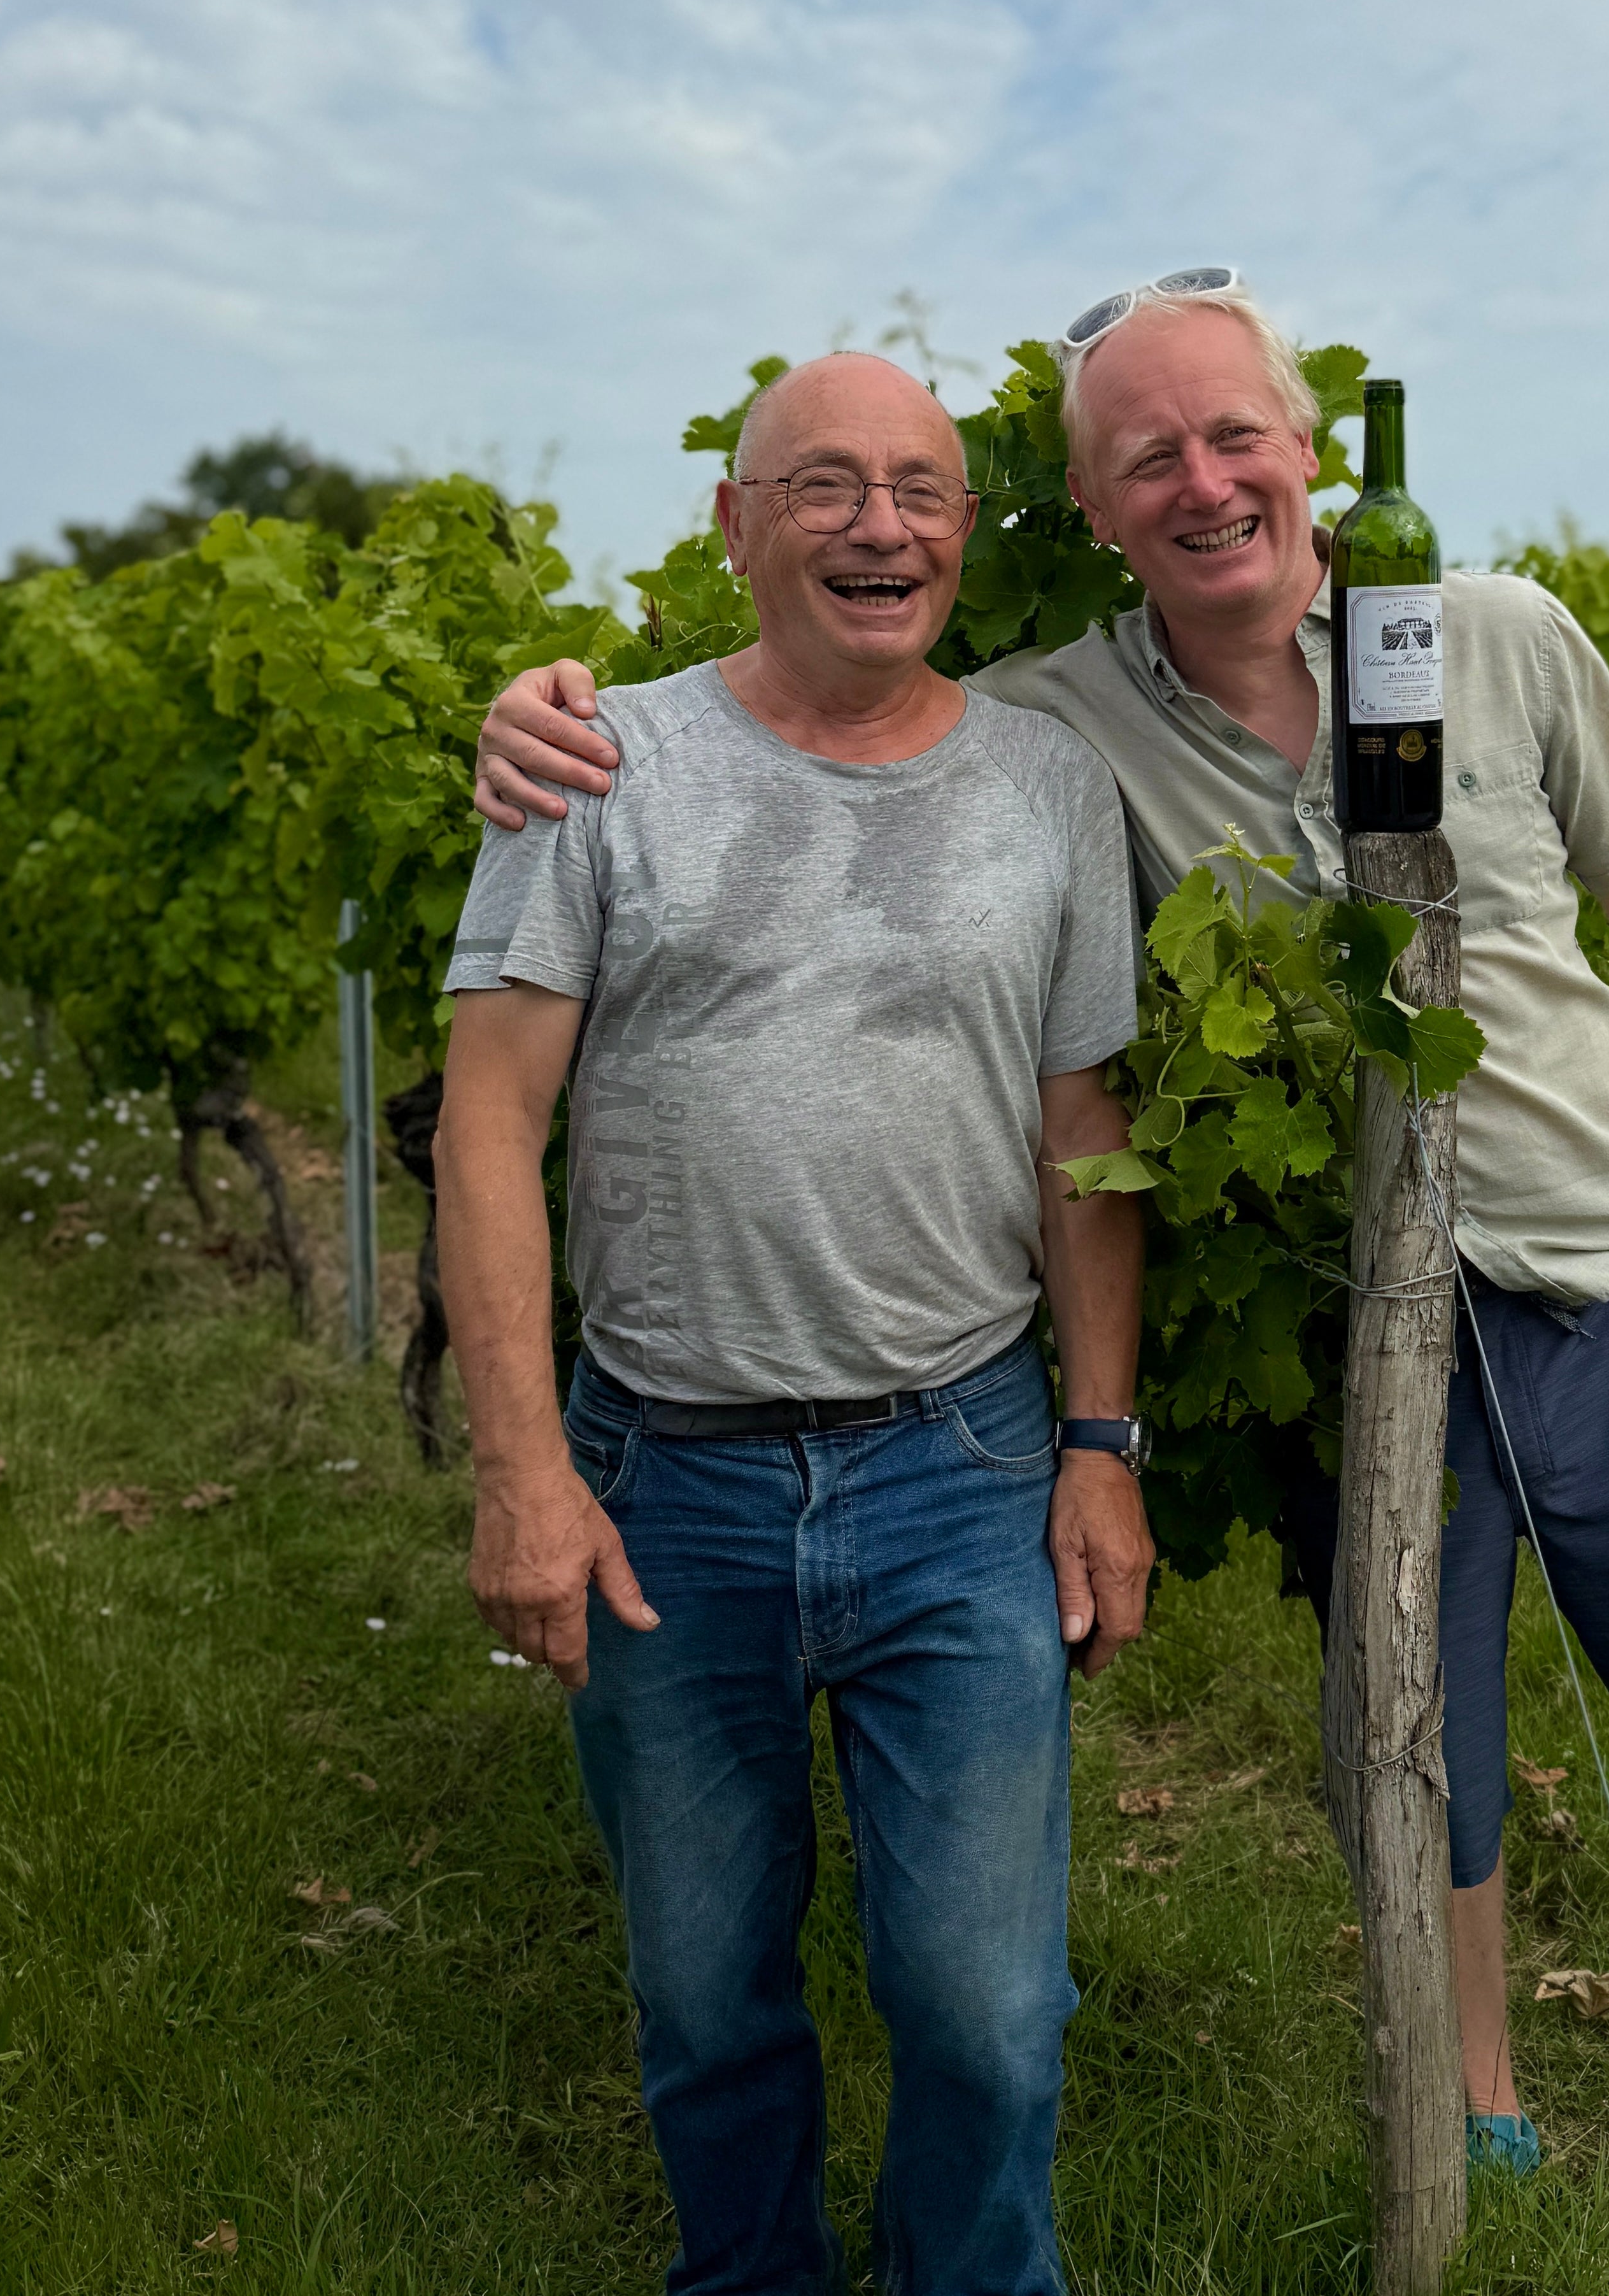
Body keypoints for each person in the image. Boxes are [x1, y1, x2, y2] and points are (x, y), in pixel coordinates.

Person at [476, 280, 1609, 2295]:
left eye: (1236, 435)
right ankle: (1471, 2129)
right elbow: (807, 713)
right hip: (1353, 1333)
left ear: (1308, 449)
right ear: (1088, 506)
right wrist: (539, 709)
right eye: (1147, 456)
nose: (1204, 481)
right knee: (1421, 1766)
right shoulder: (1050, 724)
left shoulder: (1483, 636)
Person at [439, 349, 1156, 2296]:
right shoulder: (597, 764)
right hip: (662, 1480)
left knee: (989, 2010)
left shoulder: (1047, 784)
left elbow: (1081, 1131)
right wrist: (520, 1471)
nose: (878, 525)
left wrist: (1101, 1443)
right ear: (733, 524)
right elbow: (487, 1120)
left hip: (962, 1466)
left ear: (964, 530)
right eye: (824, 483)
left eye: (920, 487)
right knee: (705, 1998)